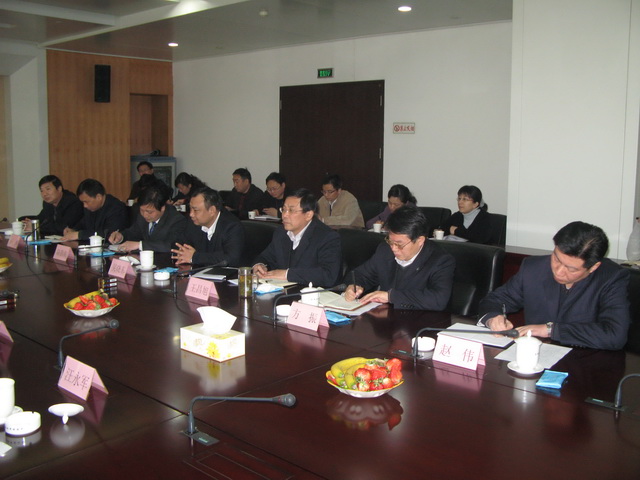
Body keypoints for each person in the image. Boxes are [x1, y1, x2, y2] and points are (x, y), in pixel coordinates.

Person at [477, 221, 630, 350]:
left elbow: (615, 335)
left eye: (571, 269)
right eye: (556, 259)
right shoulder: (533, 268)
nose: (559, 271)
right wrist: (493, 318)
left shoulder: (611, 278)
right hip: (535, 357)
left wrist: (551, 330)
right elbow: (495, 300)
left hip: (585, 363)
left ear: (593, 267)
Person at [345, 206, 455, 310]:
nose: (393, 248)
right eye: (390, 241)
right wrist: (354, 286)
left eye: (399, 244)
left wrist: (391, 296)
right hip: (386, 317)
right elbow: (360, 274)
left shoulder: (440, 260)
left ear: (420, 240)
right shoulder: (385, 250)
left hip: (422, 320)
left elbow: (438, 299)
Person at [253, 188, 342, 287]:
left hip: (313, 293)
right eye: (284, 209)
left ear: (308, 215)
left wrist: (287, 274)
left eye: (291, 210)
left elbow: (328, 275)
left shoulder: (327, 237)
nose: (284, 215)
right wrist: (260, 265)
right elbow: (266, 256)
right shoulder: (281, 232)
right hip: (284, 291)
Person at [172, 187, 244, 266]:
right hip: (198, 271)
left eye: (195, 210)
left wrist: (195, 257)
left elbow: (231, 259)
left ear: (212, 210)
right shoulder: (192, 223)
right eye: (190, 209)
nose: (191, 214)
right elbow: (177, 244)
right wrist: (181, 253)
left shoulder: (232, 227)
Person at [109, 186, 187, 252]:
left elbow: (171, 245)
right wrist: (120, 236)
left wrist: (140, 245)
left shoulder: (177, 220)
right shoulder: (142, 217)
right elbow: (133, 232)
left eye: (149, 212)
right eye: (142, 210)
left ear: (162, 208)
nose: (145, 215)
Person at [62, 179, 128, 241]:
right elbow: (83, 224)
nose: (84, 206)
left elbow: (109, 234)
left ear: (98, 197)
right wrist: (73, 230)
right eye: (83, 202)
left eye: (86, 202)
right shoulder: (91, 208)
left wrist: (80, 235)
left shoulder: (116, 208)